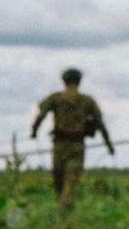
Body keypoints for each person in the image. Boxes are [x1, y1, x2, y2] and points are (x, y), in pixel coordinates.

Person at [31, 68, 114, 212]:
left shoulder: (55, 98)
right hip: (77, 146)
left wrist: (34, 131)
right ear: (79, 81)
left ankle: (64, 211)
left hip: (59, 146)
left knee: (60, 180)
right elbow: (100, 124)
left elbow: (41, 115)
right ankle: (65, 211)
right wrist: (109, 145)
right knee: (69, 180)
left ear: (64, 81)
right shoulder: (87, 101)